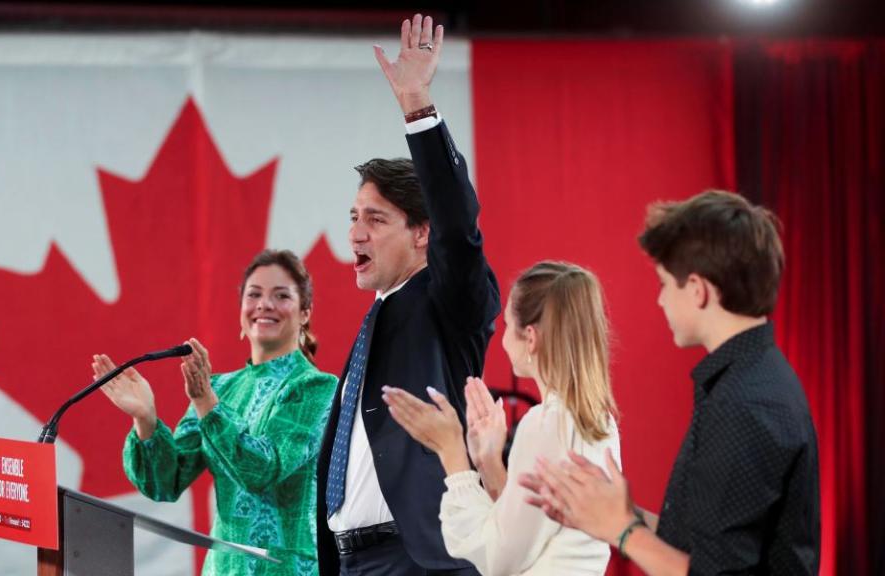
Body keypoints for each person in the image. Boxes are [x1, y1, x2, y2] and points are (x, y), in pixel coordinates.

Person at [520, 191, 821, 575]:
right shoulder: (751, 379)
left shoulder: (745, 404)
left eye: (665, 283)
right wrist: (616, 514)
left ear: (698, 290)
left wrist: (623, 529)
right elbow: (712, 546)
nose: (660, 300)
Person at [315, 13, 502, 576]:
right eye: (353, 217)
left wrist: (417, 106)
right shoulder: (377, 318)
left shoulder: (449, 300)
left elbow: (457, 225)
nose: (355, 233)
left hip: (419, 559)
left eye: (375, 218)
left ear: (421, 233)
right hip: (353, 562)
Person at [94, 249, 338, 576]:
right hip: (224, 567)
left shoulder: (316, 387)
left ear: (305, 312)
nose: (264, 304)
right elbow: (166, 482)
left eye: (281, 296)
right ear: (241, 311)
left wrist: (207, 404)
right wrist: (146, 419)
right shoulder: (219, 387)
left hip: (288, 569)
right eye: (254, 295)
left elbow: (264, 469)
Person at [383, 261, 621, 575]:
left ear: (531, 338)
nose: (504, 340)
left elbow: (500, 558)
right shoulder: (598, 420)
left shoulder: (546, 422)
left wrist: (453, 454)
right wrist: (488, 462)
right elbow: (528, 530)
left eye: (508, 325)